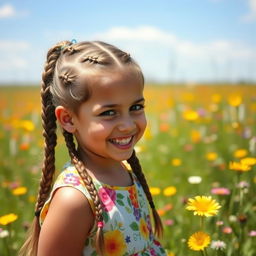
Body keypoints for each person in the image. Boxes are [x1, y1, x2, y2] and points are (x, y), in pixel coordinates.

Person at [19, 40, 166, 256]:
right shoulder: (73, 200)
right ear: (68, 119)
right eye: (108, 112)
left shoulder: (123, 172)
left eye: (136, 107)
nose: (128, 124)